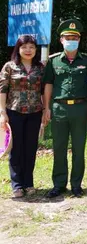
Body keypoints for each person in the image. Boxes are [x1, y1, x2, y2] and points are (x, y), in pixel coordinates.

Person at [43, 19, 87, 198]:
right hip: (59, 109)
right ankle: (59, 184)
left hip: (80, 108)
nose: (71, 40)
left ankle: (76, 185)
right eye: (67, 37)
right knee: (59, 148)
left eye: (74, 37)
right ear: (61, 40)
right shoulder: (54, 61)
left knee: (79, 149)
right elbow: (48, 84)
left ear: (79, 40)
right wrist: (46, 108)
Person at [0, 35, 44, 198]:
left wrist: (46, 109)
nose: (28, 50)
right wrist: (2, 112)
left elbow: (44, 90)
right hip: (14, 112)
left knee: (31, 148)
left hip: (34, 112)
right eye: (24, 46)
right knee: (16, 149)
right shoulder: (9, 67)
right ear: (18, 49)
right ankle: (17, 185)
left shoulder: (40, 68)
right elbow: (2, 90)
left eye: (31, 47)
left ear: (36, 50)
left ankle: (28, 183)